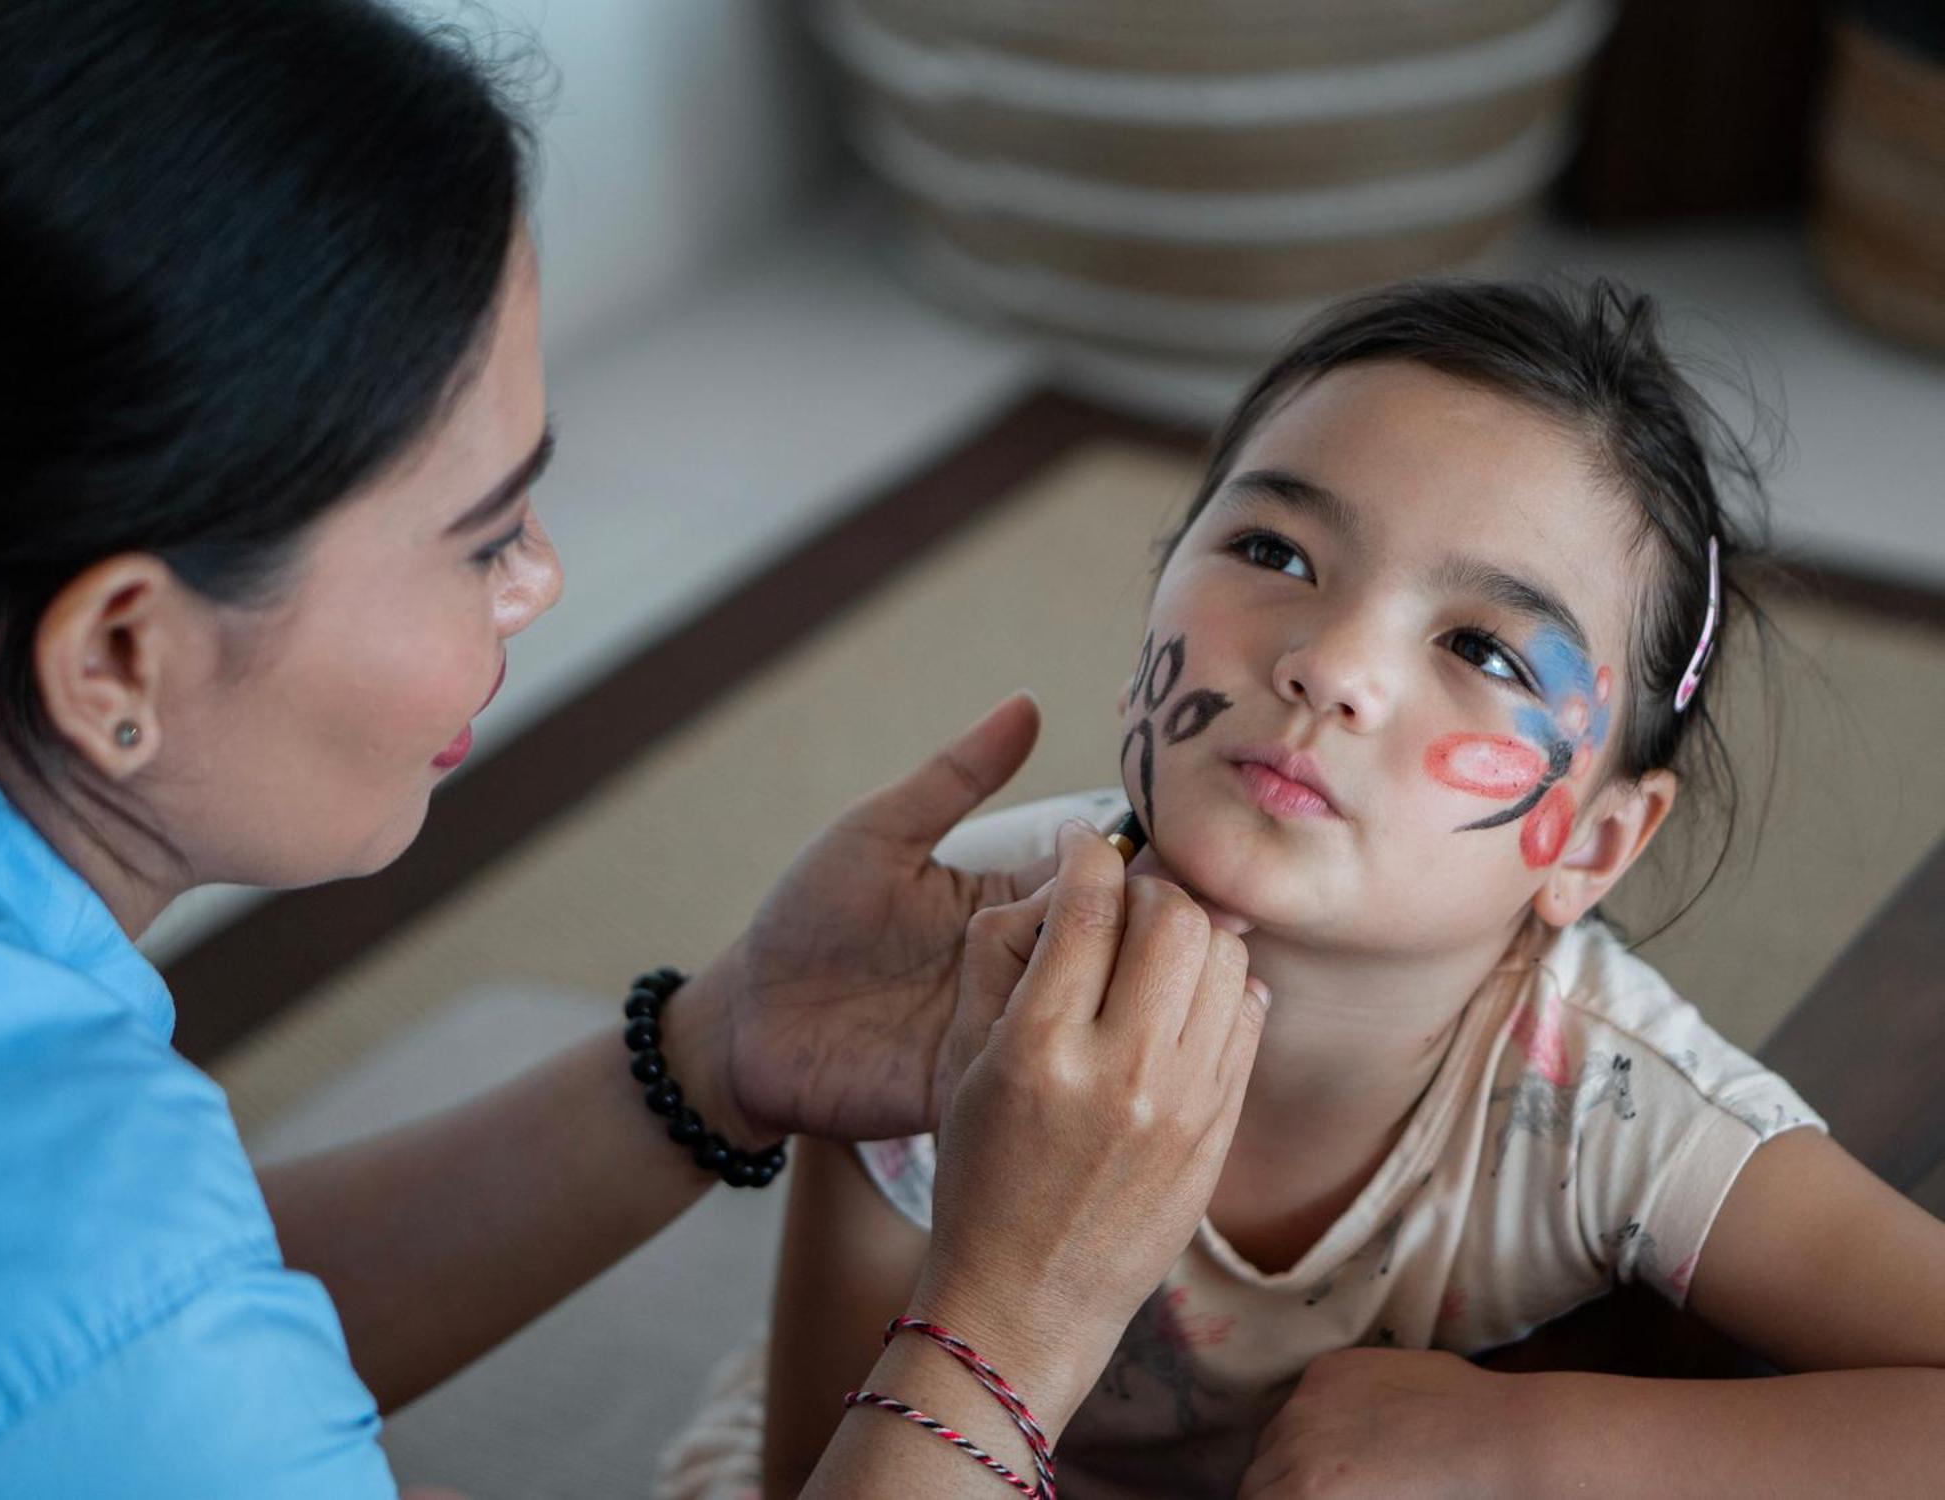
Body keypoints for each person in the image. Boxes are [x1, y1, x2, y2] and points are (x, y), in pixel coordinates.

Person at [0, 3, 1274, 1496]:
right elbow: (127, 1346)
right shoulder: (102, 1290)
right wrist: (1020, 1311)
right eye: (483, 537)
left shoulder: (95, 1259)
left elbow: (168, 1334)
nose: (541, 581)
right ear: (121, 652)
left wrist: (717, 1054)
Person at [659, 279, 1945, 1499]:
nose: (1330, 663)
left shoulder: (1607, 1105)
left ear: (1592, 846)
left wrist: (1531, 1442)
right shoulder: (974, 955)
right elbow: (821, 1468)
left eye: (1481, 646)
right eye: (1274, 551)